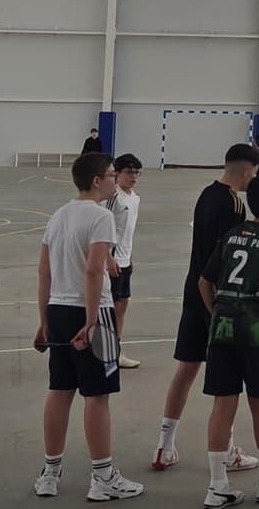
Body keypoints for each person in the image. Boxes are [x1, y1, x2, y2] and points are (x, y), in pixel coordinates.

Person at [31, 152, 143, 501]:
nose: (114, 181)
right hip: (92, 314)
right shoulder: (100, 216)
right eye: (111, 175)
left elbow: (44, 271)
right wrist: (93, 321)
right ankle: (103, 476)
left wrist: (44, 321)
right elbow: (94, 270)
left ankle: (50, 473)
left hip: (58, 311)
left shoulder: (58, 216)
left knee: (60, 390)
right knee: (97, 396)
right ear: (97, 181)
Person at [153, 142, 259, 474]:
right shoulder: (233, 204)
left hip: (193, 289)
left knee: (186, 368)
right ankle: (226, 450)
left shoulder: (205, 195)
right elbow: (227, 257)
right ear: (247, 171)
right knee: (225, 379)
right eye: (254, 173)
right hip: (215, 297)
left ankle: (164, 445)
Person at [198, 174, 259, 507]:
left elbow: (204, 282)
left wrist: (217, 312)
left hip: (222, 328)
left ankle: (217, 486)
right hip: (258, 331)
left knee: (222, 404)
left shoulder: (231, 235)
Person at [108, 153, 143, 369]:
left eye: (137, 172)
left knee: (122, 304)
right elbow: (103, 227)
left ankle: (115, 351)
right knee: (107, 309)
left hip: (125, 260)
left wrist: (128, 257)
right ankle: (101, 352)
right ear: (117, 174)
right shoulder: (114, 198)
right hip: (111, 261)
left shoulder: (134, 198)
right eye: (129, 172)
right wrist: (107, 257)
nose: (134, 176)